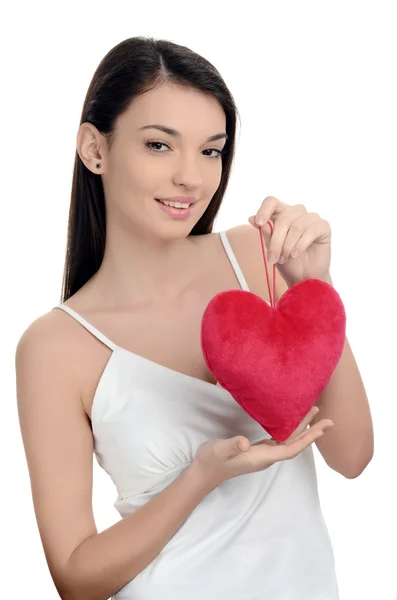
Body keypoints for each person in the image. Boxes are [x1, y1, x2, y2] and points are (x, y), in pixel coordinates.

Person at [15, 36, 372, 600]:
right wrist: (202, 476)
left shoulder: (260, 257)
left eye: (211, 150)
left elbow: (352, 457)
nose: (192, 178)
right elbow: (76, 577)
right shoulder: (56, 345)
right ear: (94, 149)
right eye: (160, 145)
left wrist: (315, 287)